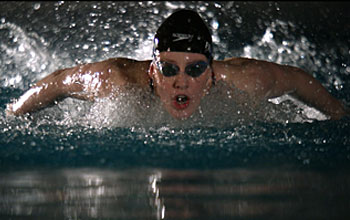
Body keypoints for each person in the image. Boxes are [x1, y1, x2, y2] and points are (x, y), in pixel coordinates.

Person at [5, 9, 349, 120]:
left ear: (211, 74)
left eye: (195, 69)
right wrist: (11, 116)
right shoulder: (117, 81)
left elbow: (297, 80)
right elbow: (59, 81)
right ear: (154, 70)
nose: (181, 81)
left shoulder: (245, 81)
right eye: (169, 68)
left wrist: (339, 115)